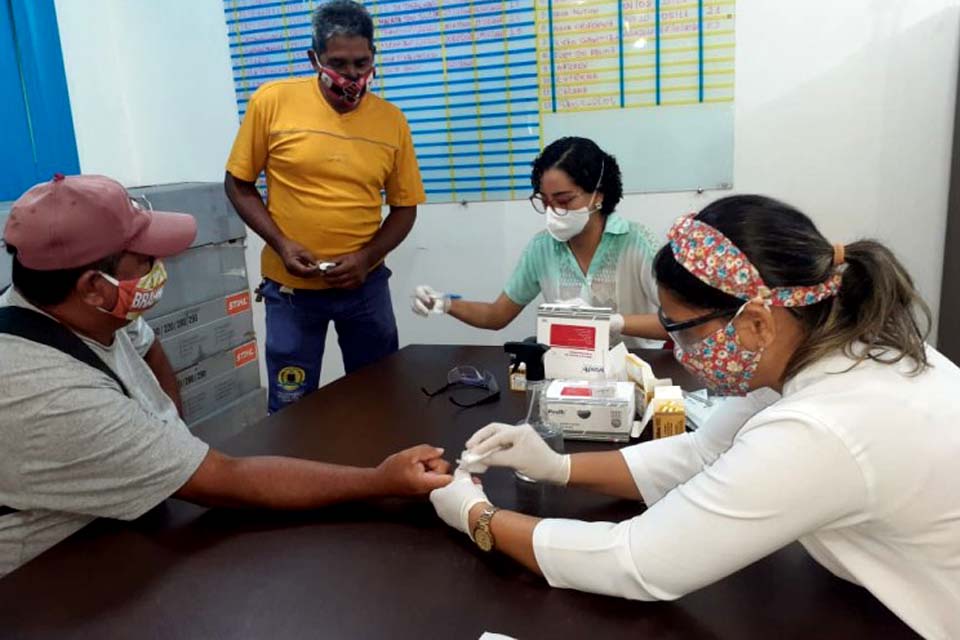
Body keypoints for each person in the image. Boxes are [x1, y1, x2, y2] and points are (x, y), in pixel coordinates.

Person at [429, 195, 960, 639]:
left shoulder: (822, 427)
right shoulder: (834, 349)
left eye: (683, 329)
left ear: (756, 322)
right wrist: (557, 467)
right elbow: (703, 452)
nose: (680, 350)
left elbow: (637, 562)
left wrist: (478, 517)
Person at [0, 174, 451, 578]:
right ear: (93, 287)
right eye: (146, 258)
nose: (159, 267)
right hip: (49, 580)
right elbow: (225, 480)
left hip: (122, 524)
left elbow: (146, 343)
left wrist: (166, 432)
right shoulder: (51, 394)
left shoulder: (70, 309)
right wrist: (380, 481)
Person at [225, 0, 425, 413]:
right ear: (313, 58)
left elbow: (405, 208)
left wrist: (366, 257)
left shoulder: (392, 121)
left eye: (361, 63)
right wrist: (281, 243)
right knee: (292, 406)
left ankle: (376, 457)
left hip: (365, 287)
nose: (352, 75)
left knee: (379, 398)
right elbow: (238, 183)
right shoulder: (272, 102)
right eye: (338, 63)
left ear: (373, 56)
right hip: (290, 290)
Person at [411, 137, 667, 347]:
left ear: (598, 195)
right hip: (568, 373)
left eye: (564, 200)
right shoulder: (542, 248)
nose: (553, 211)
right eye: (545, 201)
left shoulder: (637, 242)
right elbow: (496, 315)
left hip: (636, 370)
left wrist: (614, 322)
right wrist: (446, 304)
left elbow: (681, 320)